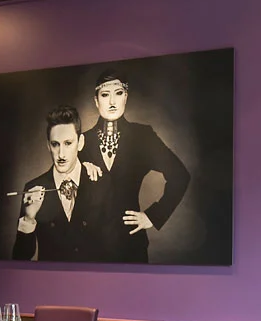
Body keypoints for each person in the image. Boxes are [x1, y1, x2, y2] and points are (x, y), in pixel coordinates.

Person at [79, 72, 190, 263]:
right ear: (96, 101)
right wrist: (78, 169)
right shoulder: (81, 140)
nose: (112, 101)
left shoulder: (142, 136)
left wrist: (153, 216)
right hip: (87, 246)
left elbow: (180, 175)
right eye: (105, 95)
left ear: (126, 97)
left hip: (130, 244)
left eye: (118, 93)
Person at [11, 106, 103, 261]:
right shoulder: (33, 189)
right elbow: (20, 257)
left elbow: (113, 248)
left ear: (80, 143)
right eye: (55, 144)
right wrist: (29, 218)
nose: (61, 154)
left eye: (68, 143)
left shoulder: (101, 183)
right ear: (48, 145)